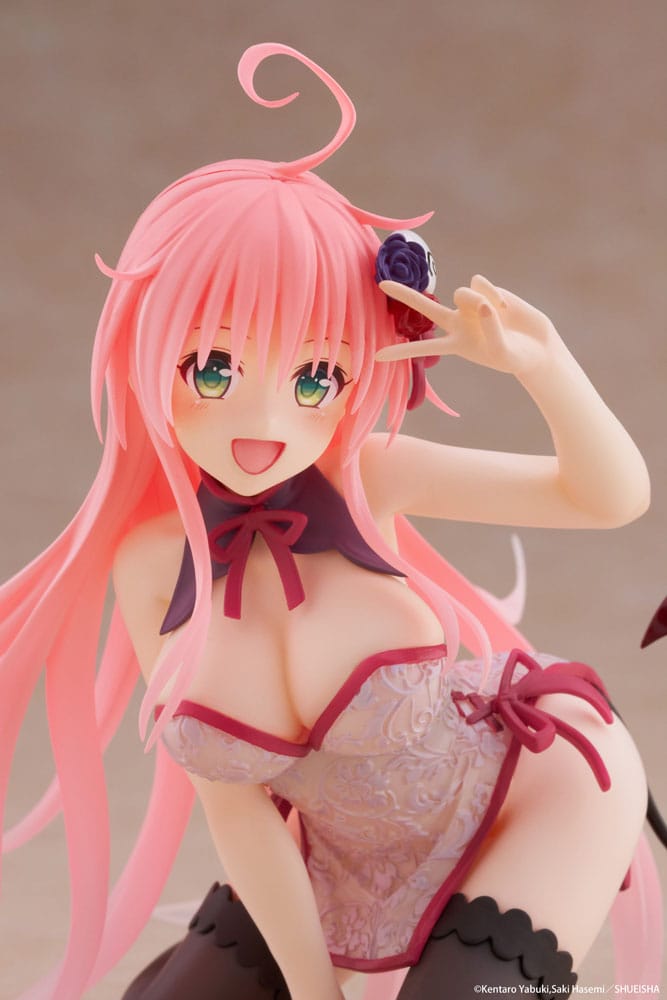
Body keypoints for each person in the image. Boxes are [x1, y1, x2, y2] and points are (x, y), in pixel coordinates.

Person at [0, 42, 661, 1000]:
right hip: (335, 853)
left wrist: (543, 368)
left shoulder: (366, 478)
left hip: (534, 796)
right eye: (214, 369)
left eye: (315, 376)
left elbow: (607, 498)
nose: (266, 422)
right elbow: (236, 810)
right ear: (149, 349)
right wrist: (315, 991)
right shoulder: (151, 562)